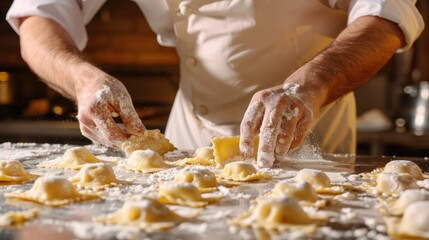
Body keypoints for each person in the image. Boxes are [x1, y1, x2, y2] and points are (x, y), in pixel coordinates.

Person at [6, 0, 424, 167]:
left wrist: (312, 84)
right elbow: (42, 15)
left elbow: (384, 16)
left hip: (307, 142)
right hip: (186, 142)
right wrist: (82, 80)